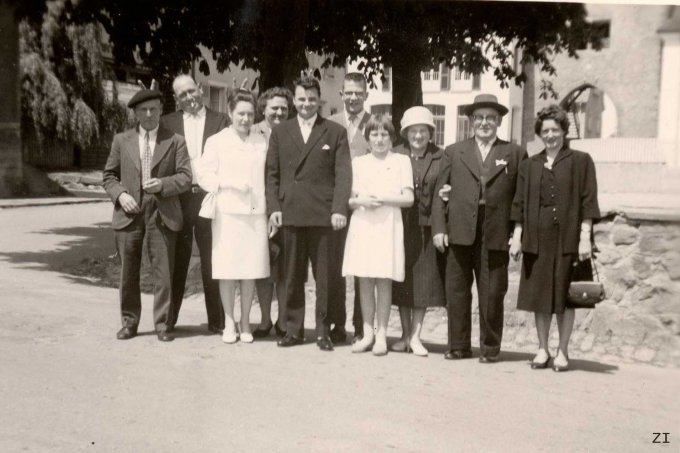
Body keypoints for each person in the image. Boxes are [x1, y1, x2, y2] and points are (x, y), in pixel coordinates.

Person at [432, 93, 526, 363]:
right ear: (471, 121)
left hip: (495, 230)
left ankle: (490, 348)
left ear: (498, 121)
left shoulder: (514, 153)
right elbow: (441, 193)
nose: (485, 123)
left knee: (493, 291)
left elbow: (520, 198)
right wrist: (439, 229)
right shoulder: (454, 151)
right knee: (457, 291)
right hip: (459, 229)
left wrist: (518, 233)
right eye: (479, 118)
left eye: (490, 118)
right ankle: (458, 345)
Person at [509, 104, 600, 372]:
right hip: (536, 240)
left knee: (563, 297)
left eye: (555, 130)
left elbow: (588, 201)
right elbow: (520, 203)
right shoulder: (529, 164)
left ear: (563, 131)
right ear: (539, 133)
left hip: (567, 240)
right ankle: (541, 349)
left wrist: (585, 237)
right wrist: (517, 236)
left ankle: (562, 351)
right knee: (539, 298)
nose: (550, 135)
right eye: (545, 130)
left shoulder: (581, 161)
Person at [265, 76, 352, 351]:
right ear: (294, 100)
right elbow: (272, 175)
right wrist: (274, 209)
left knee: (325, 277)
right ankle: (293, 329)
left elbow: (343, 175)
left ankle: (323, 331)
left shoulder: (334, 132)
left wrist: (339, 209)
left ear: (319, 101)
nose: (306, 104)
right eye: (301, 99)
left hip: (323, 215)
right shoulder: (281, 132)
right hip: (290, 212)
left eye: (312, 99)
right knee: (292, 274)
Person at [103, 89, 192, 342]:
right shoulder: (122, 140)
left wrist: (163, 184)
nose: (150, 114)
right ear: (136, 114)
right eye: (144, 110)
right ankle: (129, 322)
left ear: (161, 109)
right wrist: (121, 195)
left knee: (163, 273)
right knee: (128, 272)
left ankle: (163, 324)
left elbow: (186, 177)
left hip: (161, 214)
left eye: (154, 108)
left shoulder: (175, 141)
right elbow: (109, 176)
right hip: (129, 213)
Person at [196, 89, 270, 344]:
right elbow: (204, 176)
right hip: (227, 214)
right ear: (230, 113)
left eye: (250, 114)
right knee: (228, 270)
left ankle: (246, 321)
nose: (246, 119)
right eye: (241, 114)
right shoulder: (216, 141)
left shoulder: (262, 140)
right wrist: (229, 183)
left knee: (250, 270)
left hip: (256, 214)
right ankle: (229, 321)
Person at [160, 74, 229, 334]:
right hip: (179, 198)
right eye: (182, 95)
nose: (189, 98)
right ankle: (168, 320)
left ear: (200, 89)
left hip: (209, 198)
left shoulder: (221, 121)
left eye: (191, 91)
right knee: (177, 259)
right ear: (176, 99)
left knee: (212, 259)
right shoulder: (167, 123)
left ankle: (217, 321)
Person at [342, 115, 414, 356]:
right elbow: (350, 200)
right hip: (364, 224)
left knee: (384, 280)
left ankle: (382, 333)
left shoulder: (402, 161)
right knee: (364, 280)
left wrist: (382, 198)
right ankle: (367, 332)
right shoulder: (359, 163)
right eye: (375, 134)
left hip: (388, 224)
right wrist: (361, 201)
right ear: (368, 137)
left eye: (385, 134)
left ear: (392, 137)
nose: (380, 139)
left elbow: (408, 198)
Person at [392, 107, 446, 357]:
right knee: (402, 282)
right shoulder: (395, 154)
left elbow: (440, 195)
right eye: (413, 131)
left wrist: (438, 229)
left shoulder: (441, 157)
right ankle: (403, 335)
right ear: (406, 133)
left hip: (426, 229)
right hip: (399, 227)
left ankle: (416, 336)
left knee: (423, 284)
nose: (418, 135)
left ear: (430, 133)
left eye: (423, 131)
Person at [329, 72, 372, 343]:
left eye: (359, 92)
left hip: (366, 210)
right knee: (334, 267)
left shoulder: (376, 124)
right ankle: (336, 324)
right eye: (349, 93)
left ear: (366, 95)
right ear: (341, 95)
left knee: (363, 270)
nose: (353, 97)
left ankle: (361, 327)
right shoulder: (331, 124)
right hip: (336, 207)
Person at [250, 86, 293, 339]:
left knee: (286, 269)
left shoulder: (293, 132)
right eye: (274, 108)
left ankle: (284, 320)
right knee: (262, 268)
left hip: (286, 210)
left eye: (284, 108)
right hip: (257, 210)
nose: (279, 112)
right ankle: (265, 319)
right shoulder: (252, 132)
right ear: (263, 108)